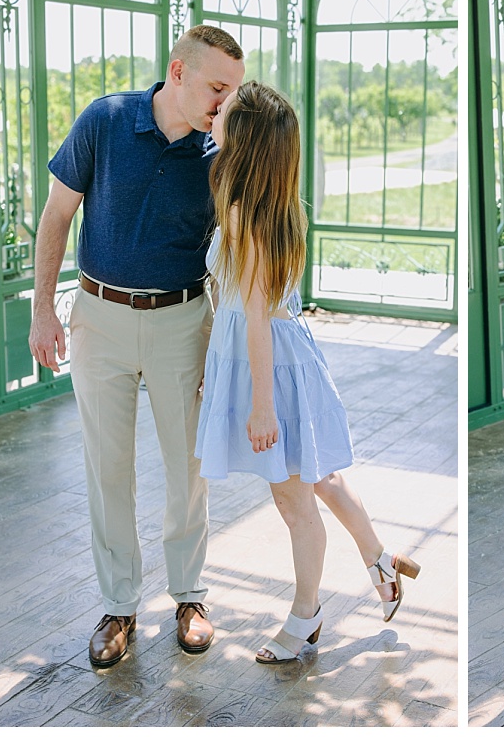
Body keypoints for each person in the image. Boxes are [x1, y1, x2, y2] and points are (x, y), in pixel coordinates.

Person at [29, 25, 245, 668]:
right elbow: (57, 215)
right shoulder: (106, 120)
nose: (224, 102)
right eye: (216, 87)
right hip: (100, 315)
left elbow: (241, 245)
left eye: (234, 91)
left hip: (184, 319)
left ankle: (189, 597)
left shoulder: (220, 149)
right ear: (178, 73)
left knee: (189, 466)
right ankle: (119, 605)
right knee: (108, 467)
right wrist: (45, 309)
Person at [194, 80, 421, 664]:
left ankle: (307, 616)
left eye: (225, 112)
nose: (214, 113)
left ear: (243, 141)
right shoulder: (260, 204)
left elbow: (257, 318)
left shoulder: (248, 214)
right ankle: (379, 558)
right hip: (276, 359)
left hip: (269, 364)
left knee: (295, 502)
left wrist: (260, 405)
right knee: (315, 476)